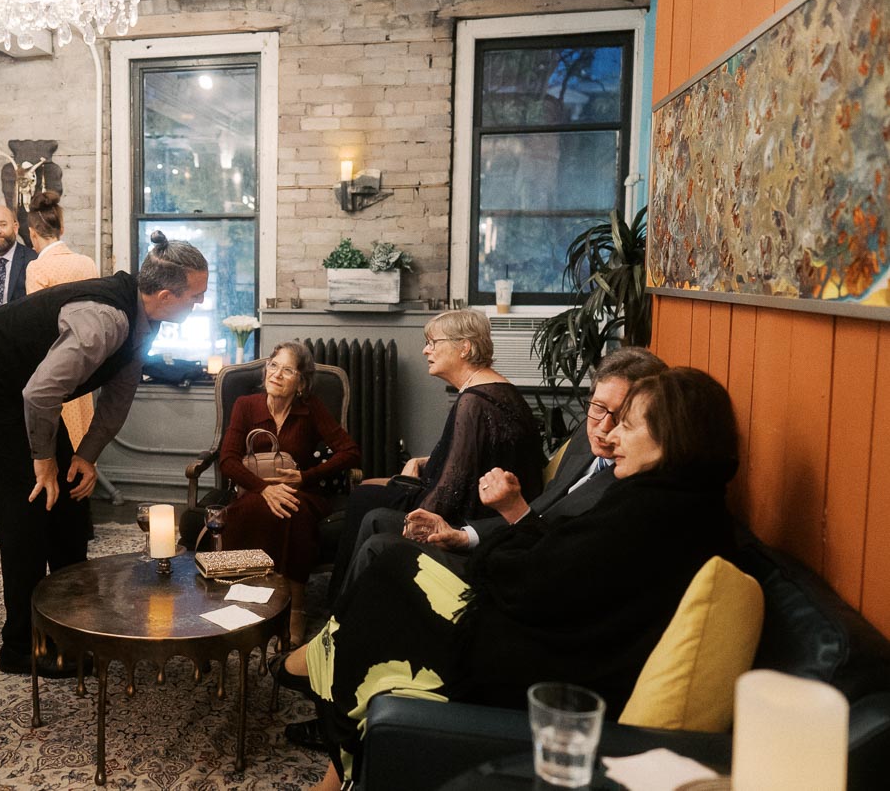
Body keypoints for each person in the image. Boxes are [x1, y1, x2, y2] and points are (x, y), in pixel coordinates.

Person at [281, 366, 741, 791]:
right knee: (388, 562)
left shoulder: (652, 510)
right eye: (604, 414)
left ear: (672, 436)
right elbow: (557, 559)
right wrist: (507, 545)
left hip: (533, 662)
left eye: (627, 424)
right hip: (534, 623)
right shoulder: (672, 499)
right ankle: (329, 687)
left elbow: (536, 581)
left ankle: (322, 676)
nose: (611, 432)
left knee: (387, 570)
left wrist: (497, 549)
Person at [0, 230, 208, 677]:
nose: (200, 302)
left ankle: (75, 623)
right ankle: (22, 646)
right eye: (196, 296)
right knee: (28, 504)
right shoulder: (103, 321)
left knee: (67, 495)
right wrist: (42, 461)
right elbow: (40, 395)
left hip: (23, 389)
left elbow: (118, 396)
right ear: (164, 295)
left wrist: (85, 454)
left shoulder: (147, 318)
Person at [328, 308, 544, 596]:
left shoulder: (474, 401)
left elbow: (452, 487)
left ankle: (342, 604)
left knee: (366, 501)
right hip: (482, 506)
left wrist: (421, 519)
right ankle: (347, 601)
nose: (425, 350)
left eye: (433, 343)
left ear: (464, 347)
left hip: (473, 517)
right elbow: (480, 453)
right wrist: (422, 462)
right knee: (368, 498)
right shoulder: (496, 388)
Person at [218, 340, 360, 645]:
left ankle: (295, 607)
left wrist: (305, 476)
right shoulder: (246, 405)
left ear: (301, 382)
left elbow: (350, 452)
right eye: (273, 365)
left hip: (304, 493)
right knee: (254, 507)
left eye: (287, 370)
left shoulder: (311, 410)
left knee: (292, 510)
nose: (276, 374)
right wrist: (264, 489)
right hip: (254, 490)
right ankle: (248, 598)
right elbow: (227, 459)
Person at [23, 190, 100, 449]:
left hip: (54, 361)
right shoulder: (86, 264)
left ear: (32, 233)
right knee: (81, 433)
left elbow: (37, 326)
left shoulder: (37, 268)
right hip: (86, 360)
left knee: (55, 438)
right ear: (62, 229)